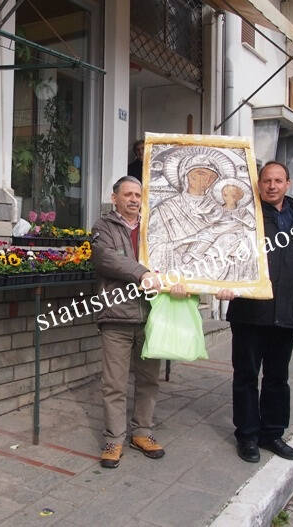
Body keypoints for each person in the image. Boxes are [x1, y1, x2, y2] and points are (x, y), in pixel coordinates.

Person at [216, 161, 293, 463]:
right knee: (246, 376)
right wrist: (223, 282)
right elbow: (224, 252)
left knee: (278, 376)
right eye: (267, 181)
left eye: (278, 180)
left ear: (288, 183)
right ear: (259, 184)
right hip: (251, 310)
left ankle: (272, 434)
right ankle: (247, 435)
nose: (272, 186)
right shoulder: (243, 215)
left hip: (288, 308)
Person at [91, 175, 169, 469]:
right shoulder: (103, 227)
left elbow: (170, 258)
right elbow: (106, 258)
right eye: (128, 194)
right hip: (116, 316)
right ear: (115, 198)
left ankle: (142, 433)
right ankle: (114, 439)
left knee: (149, 380)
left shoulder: (155, 228)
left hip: (152, 316)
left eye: (138, 195)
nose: (134, 199)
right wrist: (143, 273)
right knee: (114, 384)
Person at [148, 148, 236, 273]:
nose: (207, 180)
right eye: (201, 174)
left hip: (214, 273)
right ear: (185, 175)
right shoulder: (165, 210)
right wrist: (183, 241)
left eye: (212, 176)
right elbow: (152, 249)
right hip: (177, 275)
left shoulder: (222, 210)